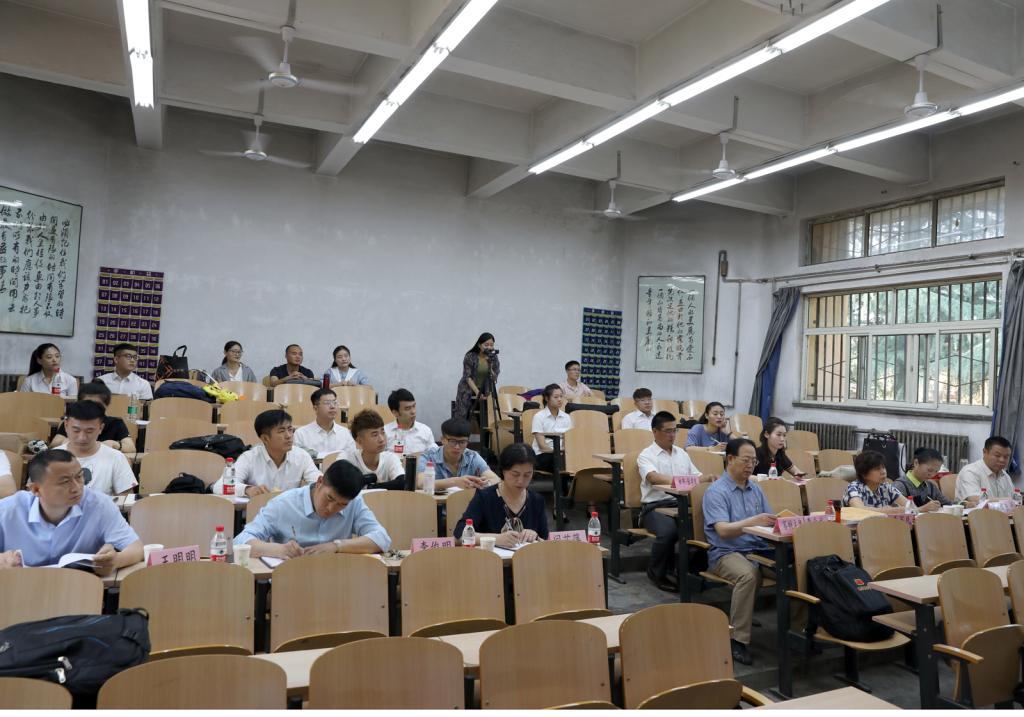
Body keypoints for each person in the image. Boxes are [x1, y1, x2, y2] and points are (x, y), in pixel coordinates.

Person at [0, 450, 143, 572]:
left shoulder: (98, 504)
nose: (76, 487)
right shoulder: (7, 510)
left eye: (79, 477)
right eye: (65, 481)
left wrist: (116, 560)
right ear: (36, 489)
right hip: (20, 589)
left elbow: (136, 548)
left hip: (78, 589)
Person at [703, 438, 777, 666]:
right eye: (746, 460)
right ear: (730, 459)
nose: (750, 465)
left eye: (754, 461)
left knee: (794, 569)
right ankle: (738, 639)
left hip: (758, 548)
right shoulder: (716, 491)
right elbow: (723, 531)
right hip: (726, 552)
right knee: (748, 575)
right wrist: (753, 521)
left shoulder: (756, 489)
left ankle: (798, 629)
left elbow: (768, 521)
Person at [234, 459, 391, 560]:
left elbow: (382, 538)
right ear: (320, 482)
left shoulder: (354, 502)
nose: (331, 508)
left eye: (341, 505)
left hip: (337, 579)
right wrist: (279, 550)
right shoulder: (284, 504)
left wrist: (336, 546)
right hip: (292, 579)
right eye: (329, 498)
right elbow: (241, 540)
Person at [638, 411, 702, 592]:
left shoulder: (682, 453)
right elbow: (653, 477)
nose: (672, 435)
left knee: (703, 529)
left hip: (682, 504)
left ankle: (687, 573)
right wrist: (682, 481)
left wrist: (707, 479)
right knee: (669, 532)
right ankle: (656, 572)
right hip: (655, 507)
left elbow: (697, 476)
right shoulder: (646, 455)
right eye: (668, 431)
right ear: (655, 431)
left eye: (675, 430)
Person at [454, 443, 549, 548]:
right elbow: (459, 536)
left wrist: (535, 536)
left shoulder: (537, 500)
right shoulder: (485, 497)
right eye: (515, 474)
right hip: (489, 557)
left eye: (527, 475)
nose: (521, 481)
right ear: (503, 471)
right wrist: (497, 539)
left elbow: (545, 540)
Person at [211, 409, 319, 496]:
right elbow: (219, 486)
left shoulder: (301, 456)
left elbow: (319, 483)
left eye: (290, 429)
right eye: (281, 431)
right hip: (257, 513)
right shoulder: (249, 457)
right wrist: (247, 489)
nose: (289, 436)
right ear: (265, 438)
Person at [57, 401, 137, 497]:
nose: (82, 437)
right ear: (66, 426)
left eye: (89, 431)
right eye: (76, 430)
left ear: (101, 428)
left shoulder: (116, 458)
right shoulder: (51, 459)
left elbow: (126, 499)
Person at [51, 382, 135, 453]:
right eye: (87, 404)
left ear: (106, 405)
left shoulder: (116, 423)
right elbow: (54, 444)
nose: (92, 408)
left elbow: (131, 448)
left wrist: (116, 444)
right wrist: (65, 442)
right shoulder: (73, 421)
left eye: (97, 405)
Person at [417, 418, 499, 490]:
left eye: (462, 442)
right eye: (452, 441)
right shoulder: (428, 456)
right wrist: (455, 482)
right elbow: (421, 483)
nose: (457, 447)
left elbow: (496, 480)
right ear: (442, 440)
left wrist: (484, 483)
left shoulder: (472, 457)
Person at [844, 450, 938, 513]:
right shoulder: (854, 488)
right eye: (877, 469)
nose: (883, 472)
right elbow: (859, 510)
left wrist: (920, 509)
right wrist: (887, 510)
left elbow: (910, 506)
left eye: (883, 467)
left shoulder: (886, 487)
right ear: (864, 474)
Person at [343, 409, 406, 490]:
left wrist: (370, 487)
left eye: (383, 432)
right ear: (359, 441)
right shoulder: (348, 459)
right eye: (375, 435)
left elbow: (402, 483)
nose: (381, 439)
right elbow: (340, 484)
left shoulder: (390, 458)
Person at [293, 388, 356, 458]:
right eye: (327, 403)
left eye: (335, 402)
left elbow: (352, 458)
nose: (332, 406)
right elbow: (296, 459)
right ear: (315, 408)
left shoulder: (346, 434)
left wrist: (317, 455)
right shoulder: (301, 434)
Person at [956, 436, 1014, 506]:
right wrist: (1009, 500)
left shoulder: (1005, 476)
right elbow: (975, 499)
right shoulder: (970, 472)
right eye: (997, 455)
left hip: (999, 512)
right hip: (974, 512)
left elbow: (1014, 499)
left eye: (1006, 457)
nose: (1002, 460)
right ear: (985, 452)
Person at [453, 332, 500, 420]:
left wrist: (490, 366)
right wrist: (477, 392)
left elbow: (494, 378)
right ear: (479, 345)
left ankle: (483, 428)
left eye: (491, 345)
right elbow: (468, 377)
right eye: (486, 345)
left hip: (485, 390)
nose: (489, 347)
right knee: (462, 415)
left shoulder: (493, 358)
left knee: (484, 418)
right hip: (468, 389)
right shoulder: (470, 356)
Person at [531, 383, 573, 473]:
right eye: (556, 397)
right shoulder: (539, 417)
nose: (560, 399)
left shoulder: (566, 417)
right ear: (547, 398)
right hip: (543, 455)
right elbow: (542, 446)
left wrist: (564, 453)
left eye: (561, 396)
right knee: (558, 461)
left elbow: (569, 441)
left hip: (562, 454)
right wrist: (558, 453)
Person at [384, 389, 435, 454]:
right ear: (395, 413)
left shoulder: (425, 431)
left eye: (414, 406)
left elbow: (434, 456)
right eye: (407, 408)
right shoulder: (385, 432)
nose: (413, 411)